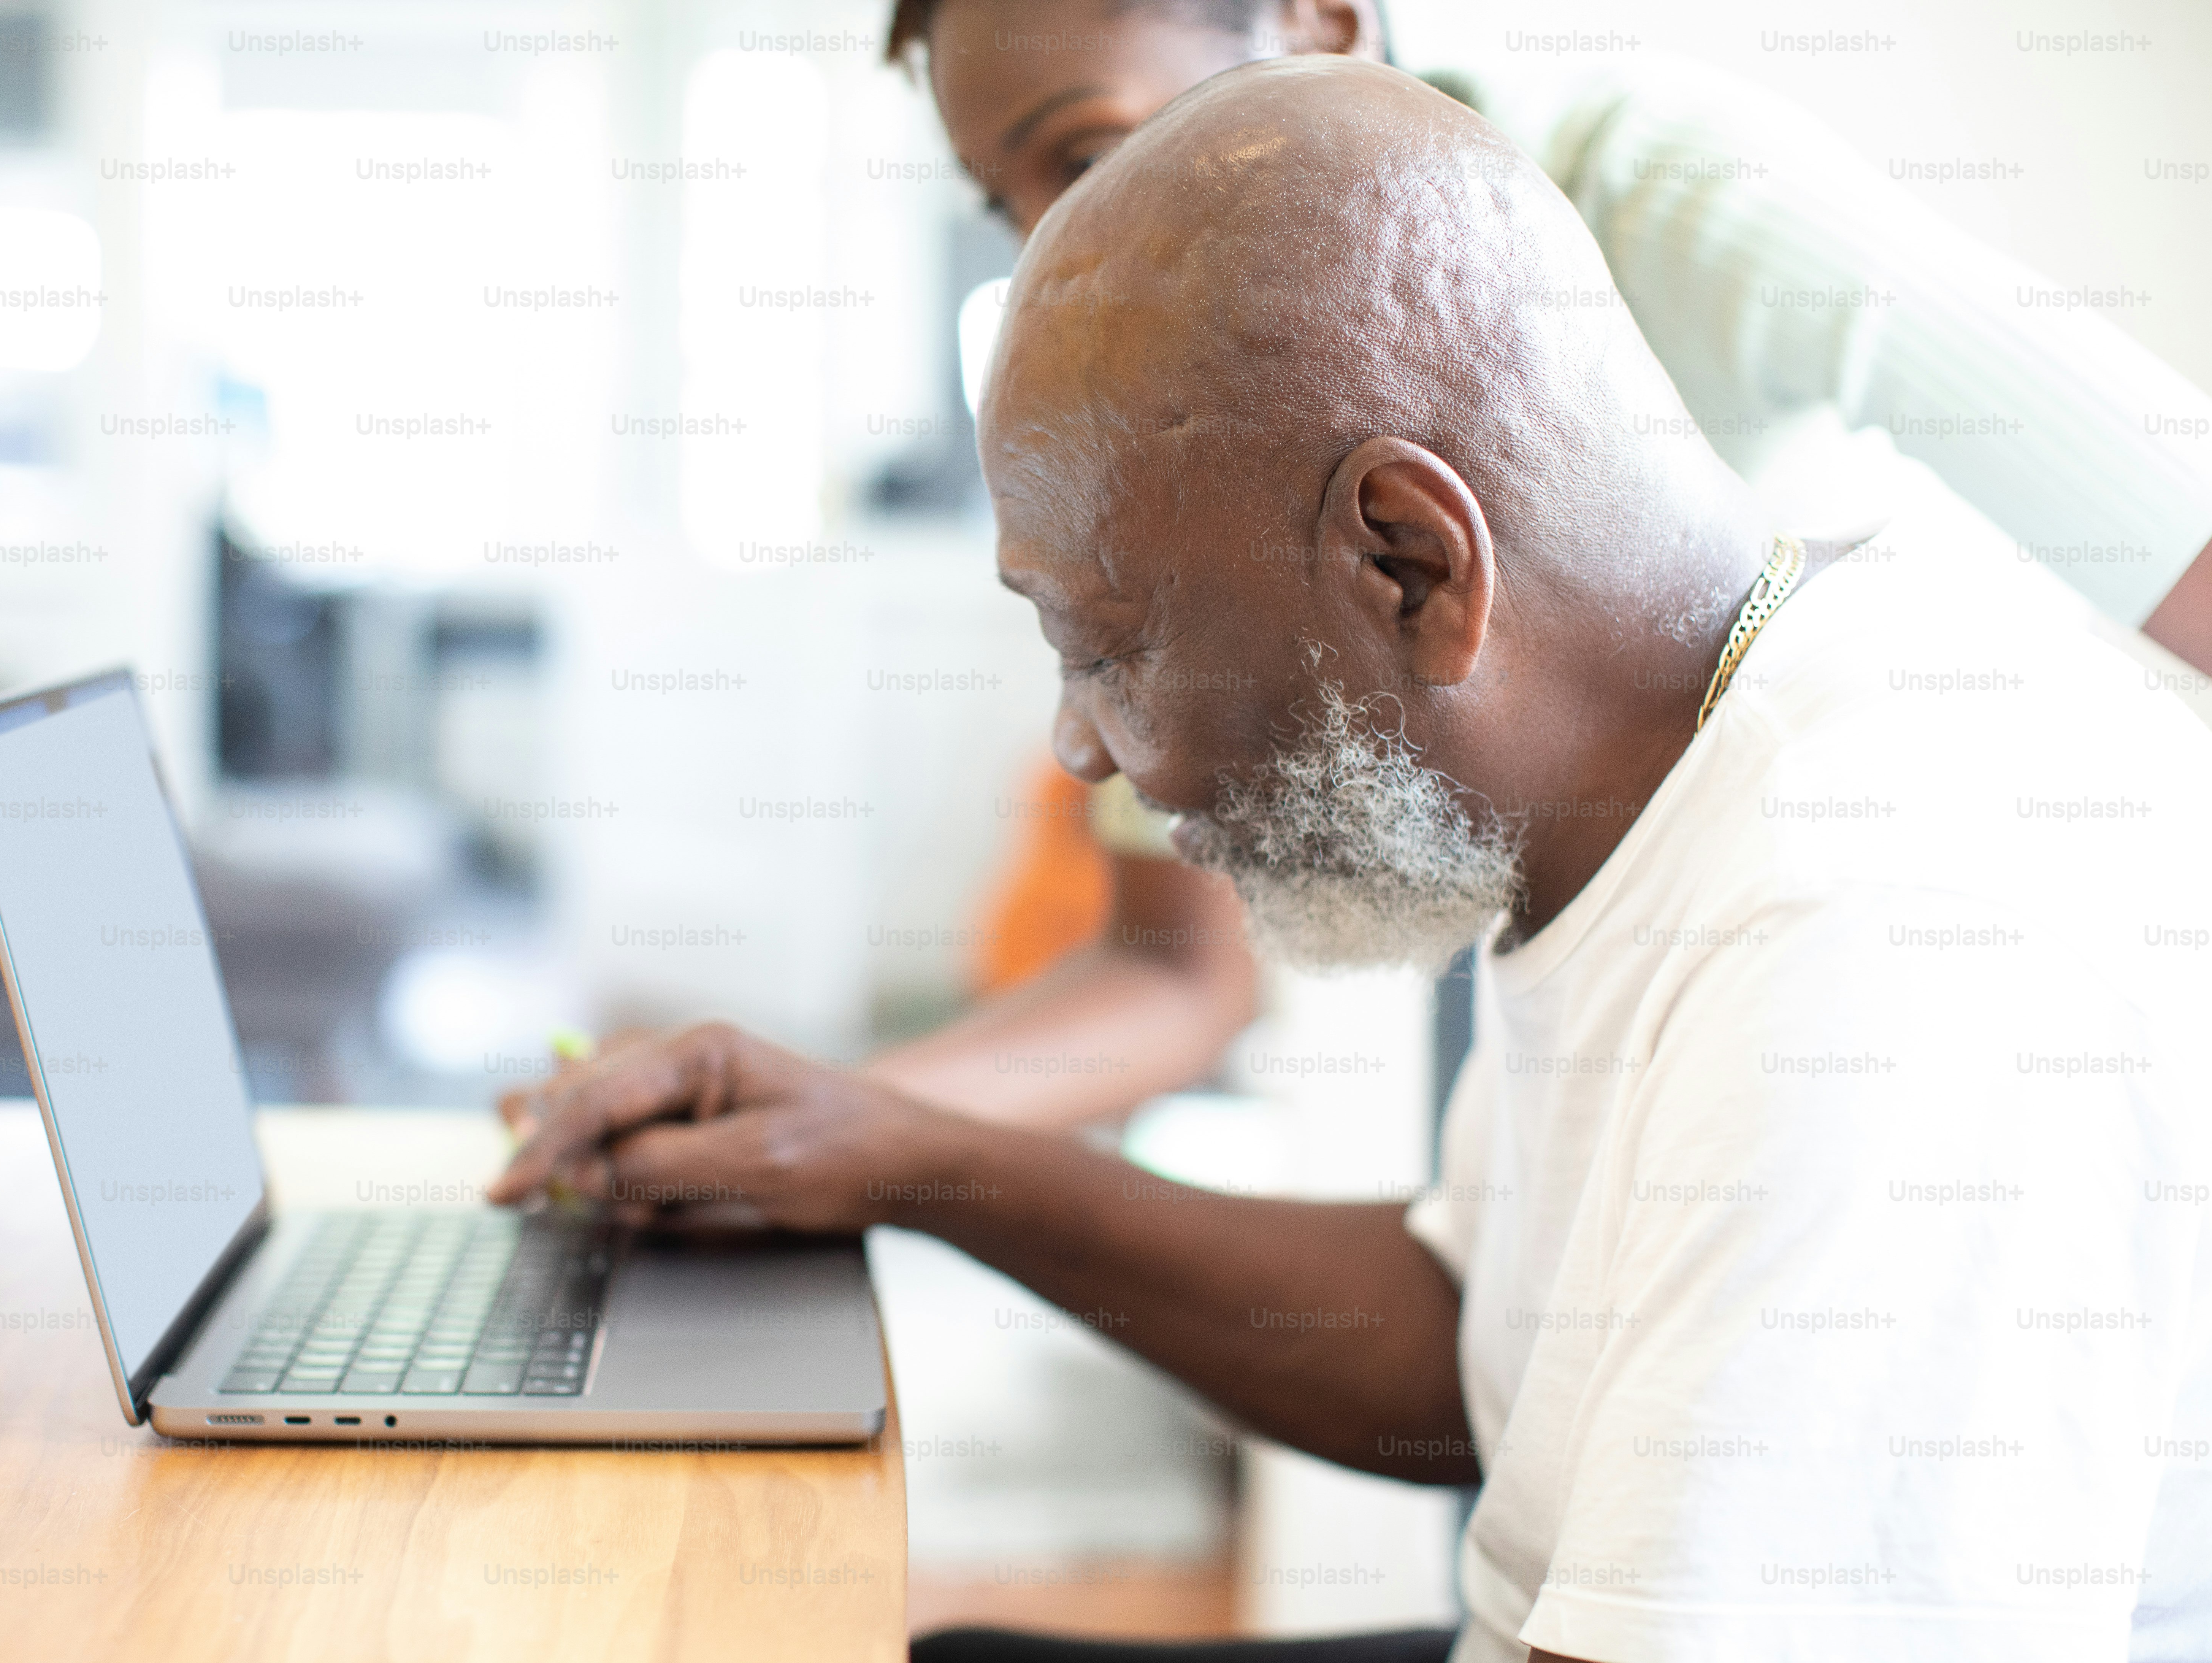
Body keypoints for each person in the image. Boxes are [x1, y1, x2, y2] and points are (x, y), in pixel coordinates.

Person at [494, 58, 2212, 1663]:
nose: (1084, 750)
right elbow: (1478, 1358)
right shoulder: (1664, 768)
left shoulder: (1886, 920)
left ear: (1408, 559)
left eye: (1110, 647)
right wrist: (901, 1157)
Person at [861, 0, 2212, 1135]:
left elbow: (2174, 531)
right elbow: (1172, 971)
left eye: (1087, 153)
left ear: (1316, 21)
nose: (1055, 243)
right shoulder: (1176, 439)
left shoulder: (1658, 187)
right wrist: (821, 1127)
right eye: (1008, 202)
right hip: (1549, 951)